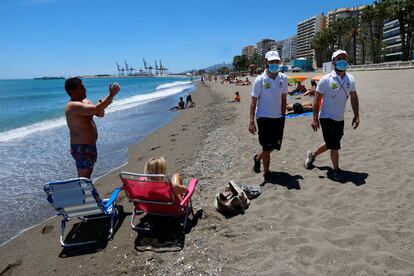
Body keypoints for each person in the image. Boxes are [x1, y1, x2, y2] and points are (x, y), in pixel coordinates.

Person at [304, 49, 360, 179]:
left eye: (344, 58)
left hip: (340, 118)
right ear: (333, 62)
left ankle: (312, 155)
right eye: (339, 58)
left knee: (332, 143)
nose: (342, 60)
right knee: (334, 146)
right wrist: (314, 118)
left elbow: (354, 97)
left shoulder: (350, 79)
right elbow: (316, 100)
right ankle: (336, 171)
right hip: (326, 117)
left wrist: (356, 115)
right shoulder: (326, 79)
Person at [65, 77, 120, 178]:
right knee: (83, 177)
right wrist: (111, 95)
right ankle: (82, 193)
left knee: (88, 174)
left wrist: (104, 102)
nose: (85, 89)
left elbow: (100, 113)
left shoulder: (85, 102)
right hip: (81, 147)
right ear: (72, 91)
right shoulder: (72, 106)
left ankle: (88, 193)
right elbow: (96, 109)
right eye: (81, 88)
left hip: (90, 145)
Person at [249, 50, 289, 181]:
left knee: (274, 146)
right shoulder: (260, 80)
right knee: (266, 146)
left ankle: (257, 158)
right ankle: (266, 172)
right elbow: (253, 101)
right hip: (264, 118)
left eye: (277, 62)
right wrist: (251, 121)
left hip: (278, 118)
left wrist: (283, 115)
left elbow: (284, 99)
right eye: (272, 62)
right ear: (265, 62)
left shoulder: (284, 78)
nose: (275, 64)